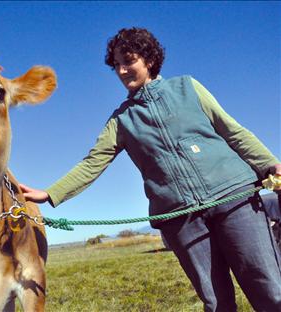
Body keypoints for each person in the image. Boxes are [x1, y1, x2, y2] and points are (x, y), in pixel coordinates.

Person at [19, 27, 281, 311]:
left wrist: (271, 164)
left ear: (149, 60)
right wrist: (51, 193)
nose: (121, 71)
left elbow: (233, 131)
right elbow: (92, 162)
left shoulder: (188, 87)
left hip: (235, 199)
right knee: (216, 303)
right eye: (116, 65)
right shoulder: (121, 120)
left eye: (128, 61)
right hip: (181, 218)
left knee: (270, 289)